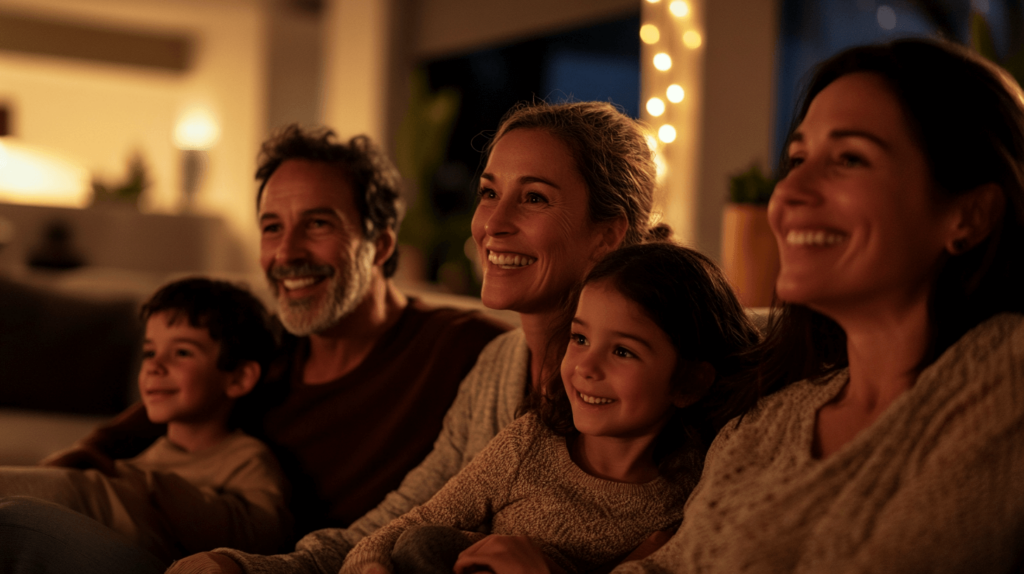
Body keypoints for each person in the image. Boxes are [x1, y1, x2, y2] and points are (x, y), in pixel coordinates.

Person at [170, 101, 671, 574]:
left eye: (534, 198)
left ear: (606, 234)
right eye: (489, 193)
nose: (492, 224)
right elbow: (396, 522)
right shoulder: (496, 366)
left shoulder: (655, 389)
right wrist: (243, 566)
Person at [0, 127, 508, 573]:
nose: (286, 254)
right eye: (272, 227)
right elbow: (108, 445)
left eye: (318, 224)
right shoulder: (262, 345)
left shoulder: (465, 349)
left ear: (380, 245)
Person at [607, 39, 1024, 573]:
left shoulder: (1006, 376)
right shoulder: (766, 424)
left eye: (850, 159)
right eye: (798, 158)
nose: (790, 191)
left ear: (969, 215)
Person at [338, 242, 760, 574]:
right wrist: (366, 566)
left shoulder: (689, 495)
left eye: (623, 351)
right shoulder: (529, 444)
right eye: (579, 339)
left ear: (690, 381)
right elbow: (413, 522)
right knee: (422, 543)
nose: (586, 367)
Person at [0, 277, 290, 564]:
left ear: (238, 378)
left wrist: (147, 489)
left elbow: (266, 535)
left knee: (75, 493)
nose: (154, 365)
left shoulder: (246, 459)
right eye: (149, 352)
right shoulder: (148, 454)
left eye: (182, 352)